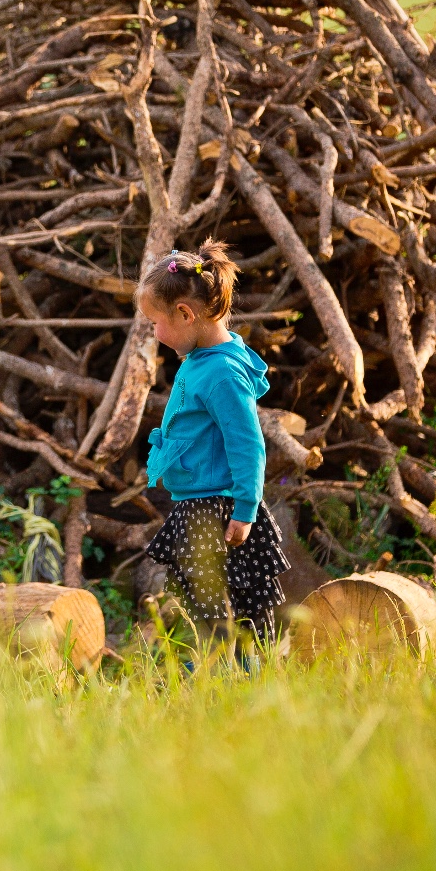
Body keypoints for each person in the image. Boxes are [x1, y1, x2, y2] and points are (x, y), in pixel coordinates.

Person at [135, 241, 288, 652]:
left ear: (185, 314)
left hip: (214, 510)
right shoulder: (203, 359)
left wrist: (244, 510)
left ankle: (237, 680)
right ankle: (215, 679)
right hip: (199, 504)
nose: (154, 332)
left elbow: (248, 444)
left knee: (222, 610)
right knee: (205, 608)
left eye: (155, 322)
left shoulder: (221, 372)